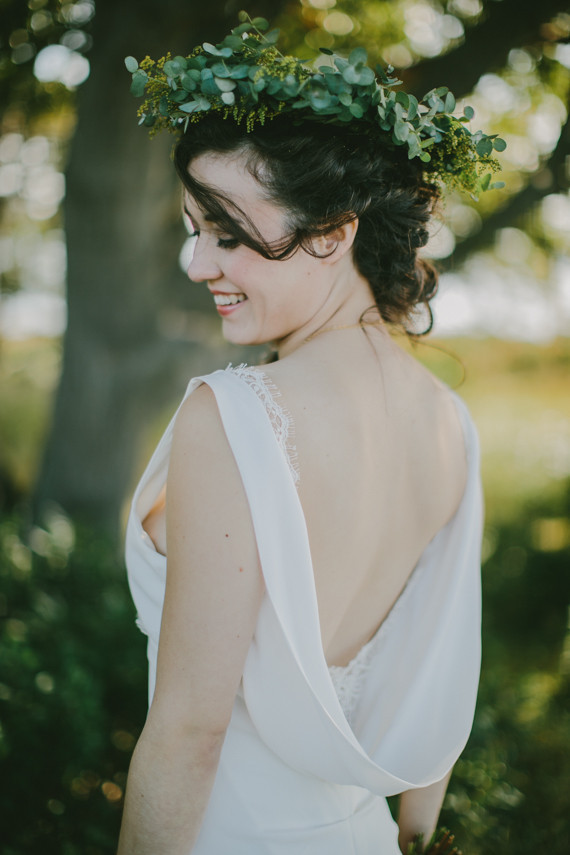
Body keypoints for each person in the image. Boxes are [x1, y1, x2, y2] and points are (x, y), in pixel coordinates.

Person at [119, 18, 496, 854]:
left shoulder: (236, 414)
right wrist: (414, 838)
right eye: (193, 229)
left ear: (332, 231)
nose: (197, 264)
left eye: (226, 232)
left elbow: (190, 732)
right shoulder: (450, 423)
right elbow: (437, 672)